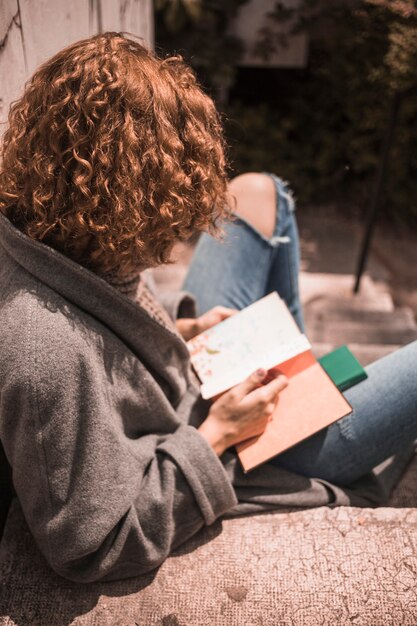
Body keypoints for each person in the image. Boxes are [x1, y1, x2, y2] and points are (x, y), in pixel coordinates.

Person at [0, 32, 416, 584]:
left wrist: (176, 322)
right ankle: (317, 420)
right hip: (228, 445)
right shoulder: (42, 352)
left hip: (190, 381)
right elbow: (93, 545)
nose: (174, 248)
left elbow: (103, 317)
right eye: (163, 226)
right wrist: (219, 434)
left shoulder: (45, 227)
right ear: (119, 203)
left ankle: (302, 369)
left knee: (260, 193)